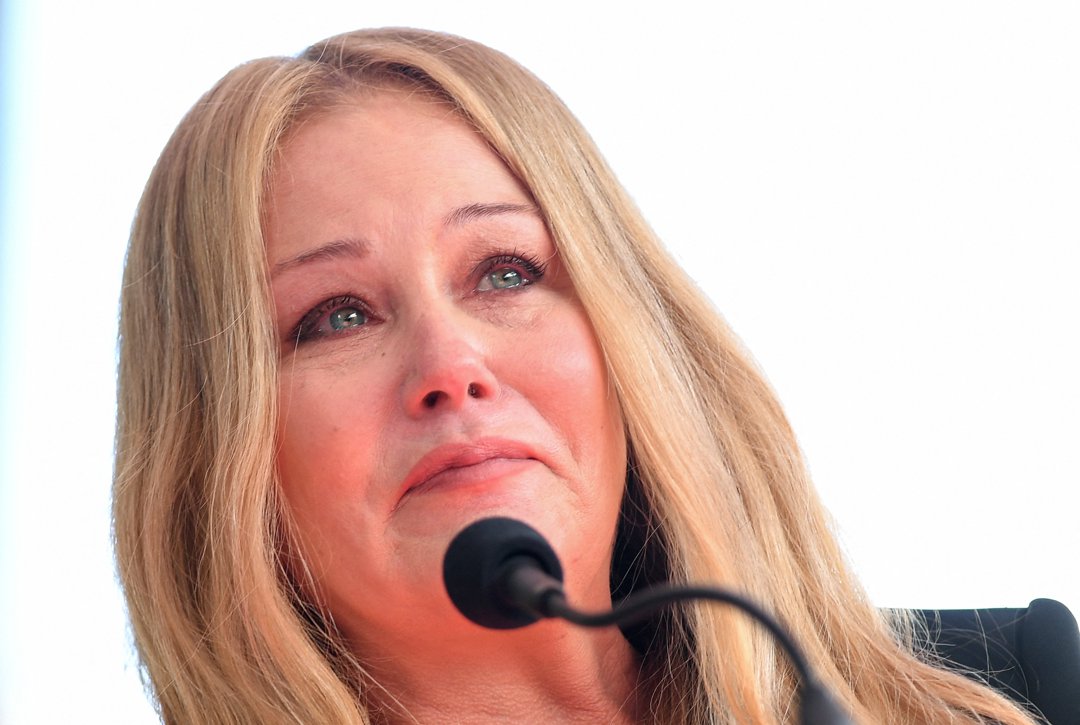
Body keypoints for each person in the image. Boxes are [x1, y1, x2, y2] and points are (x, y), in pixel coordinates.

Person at [113, 28, 1042, 724]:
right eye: (336, 316)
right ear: (217, 462)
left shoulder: (1020, 683)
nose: (451, 368)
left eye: (505, 271)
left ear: (627, 341)